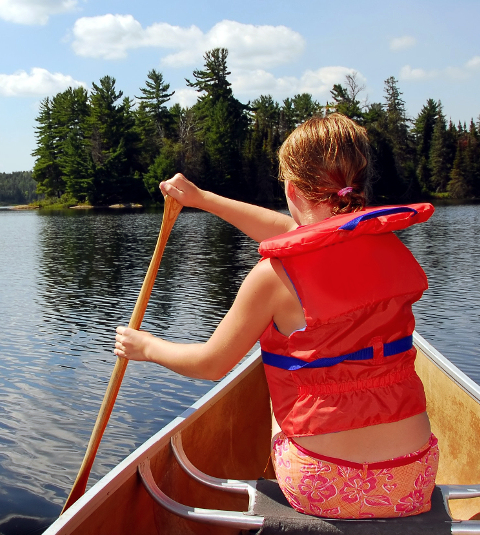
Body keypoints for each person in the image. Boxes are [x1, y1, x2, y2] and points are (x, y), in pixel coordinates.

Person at [113, 113, 438, 519]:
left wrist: (146, 346)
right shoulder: (389, 245)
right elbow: (298, 232)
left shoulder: (271, 278)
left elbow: (212, 364)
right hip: (412, 478)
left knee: (273, 366)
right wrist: (201, 198)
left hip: (325, 484)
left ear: (291, 189)